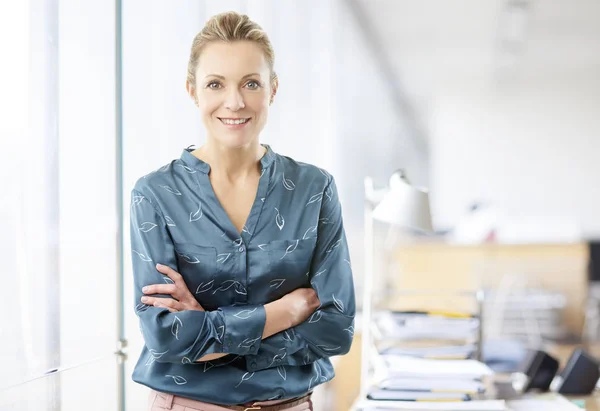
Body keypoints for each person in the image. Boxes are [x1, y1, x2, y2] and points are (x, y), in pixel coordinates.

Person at [130, 11, 355, 411]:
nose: (234, 102)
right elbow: (166, 337)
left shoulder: (313, 189)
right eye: (215, 84)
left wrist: (210, 333)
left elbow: (335, 330)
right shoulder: (155, 195)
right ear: (192, 91)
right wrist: (284, 311)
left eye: (251, 83)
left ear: (273, 89)